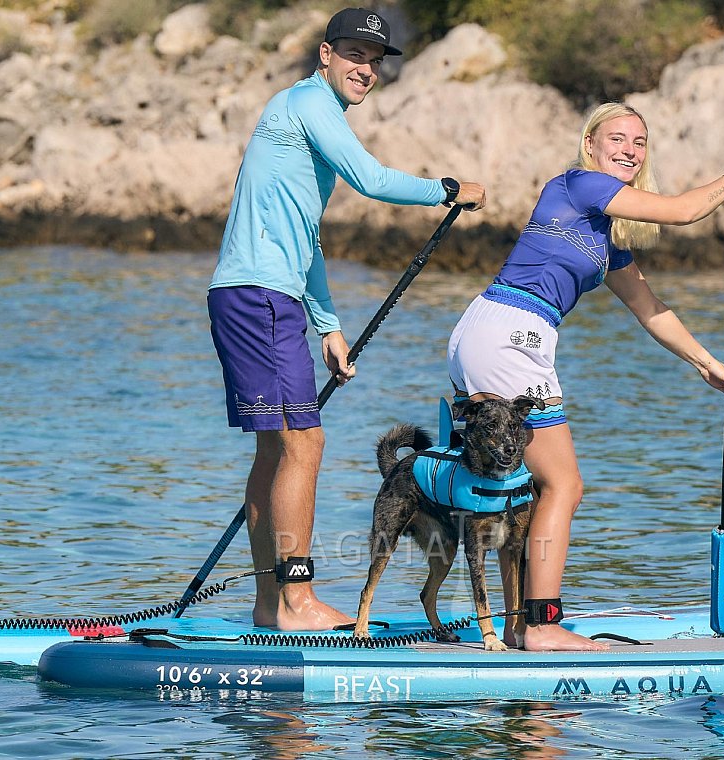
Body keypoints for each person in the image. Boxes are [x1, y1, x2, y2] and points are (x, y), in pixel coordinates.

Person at [207, 7, 487, 631]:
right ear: (325, 55)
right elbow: (372, 177)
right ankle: (298, 601)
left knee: (274, 453)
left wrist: (327, 324)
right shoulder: (307, 103)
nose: (365, 68)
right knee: (306, 443)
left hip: (256, 295)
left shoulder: (311, 126)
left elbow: (305, 240)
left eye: (375, 60)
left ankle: (267, 606)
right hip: (258, 298)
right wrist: (446, 188)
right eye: (354, 55)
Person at [446, 102, 724, 651]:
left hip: (489, 330)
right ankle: (543, 626)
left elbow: (650, 309)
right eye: (617, 138)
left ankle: (523, 622)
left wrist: (707, 363)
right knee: (563, 484)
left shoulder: (606, 239)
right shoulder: (578, 185)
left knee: (526, 487)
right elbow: (687, 211)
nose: (629, 150)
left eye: (639, 143)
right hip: (512, 333)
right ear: (590, 143)